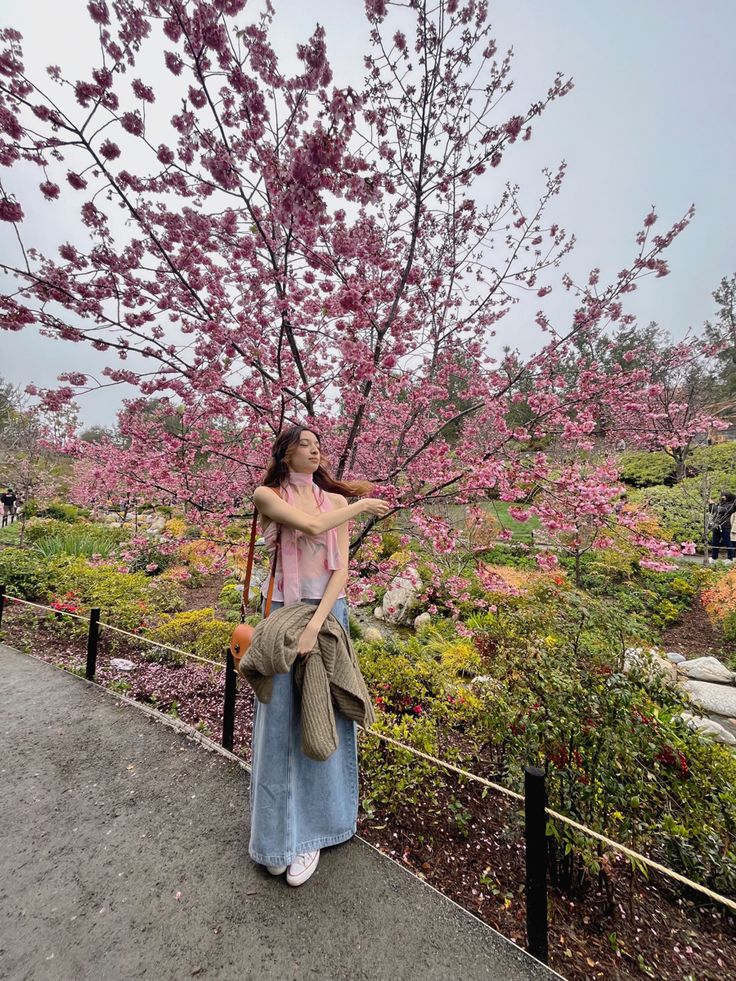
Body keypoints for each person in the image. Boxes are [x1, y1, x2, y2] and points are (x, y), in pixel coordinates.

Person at [248, 425, 390, 886]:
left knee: (322, 718)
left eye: (317, 445)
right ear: (286, 453)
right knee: (278, 723)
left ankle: (315, 834)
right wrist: (361, 506)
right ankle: (276, 837)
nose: (316, 450)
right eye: (305, 445)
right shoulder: (267, 495)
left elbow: (342, 570)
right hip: (280, 613)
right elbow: (306, 526)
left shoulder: (336, 503)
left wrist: (314, 625)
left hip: (326, 616)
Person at [708, 491, 736, 563]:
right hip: (716, 525)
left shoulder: (731, 505)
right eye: (722, 495)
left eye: (724, 496)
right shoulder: (721, 503)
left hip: (725, 526)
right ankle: (714, 557)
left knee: (727, 542)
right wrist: (711, 505)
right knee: (714, 542)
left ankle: (730, 558)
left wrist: (713, 504)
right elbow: (713, 511)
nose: (722, 497)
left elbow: (720, 510)